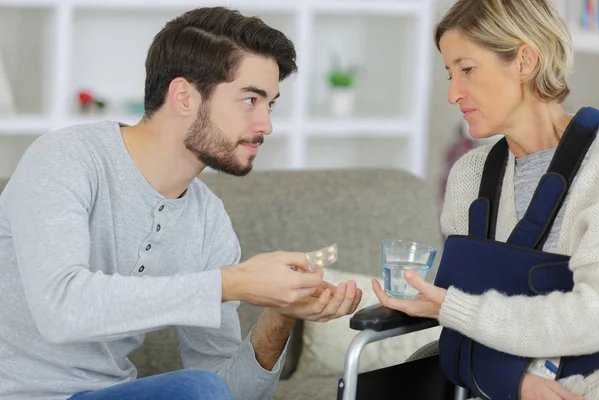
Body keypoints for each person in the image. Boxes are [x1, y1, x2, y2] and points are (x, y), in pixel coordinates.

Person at [0, 6, 362, 400]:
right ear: (184, 96)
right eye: (250, 100)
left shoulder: (208, 220)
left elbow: (229, 392)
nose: (266, 125)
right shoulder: (65, 158)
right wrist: (233, 282)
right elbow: (61, 309)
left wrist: (281, 312)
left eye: (269, 104)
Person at [372, 0, 599, 399]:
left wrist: (453, 308)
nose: (452, 93)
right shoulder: (469, 176)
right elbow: (460, 328)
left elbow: (592, 317)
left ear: (525, 61)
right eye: (449, 73)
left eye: (467, 69)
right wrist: (513, 382)